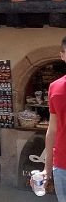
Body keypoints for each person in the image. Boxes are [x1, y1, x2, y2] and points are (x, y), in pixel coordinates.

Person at [44, 36, 66, 201]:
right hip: (62, 165)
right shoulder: (55, 88)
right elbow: (52, 129)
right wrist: (47, 167)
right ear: (62, 55)